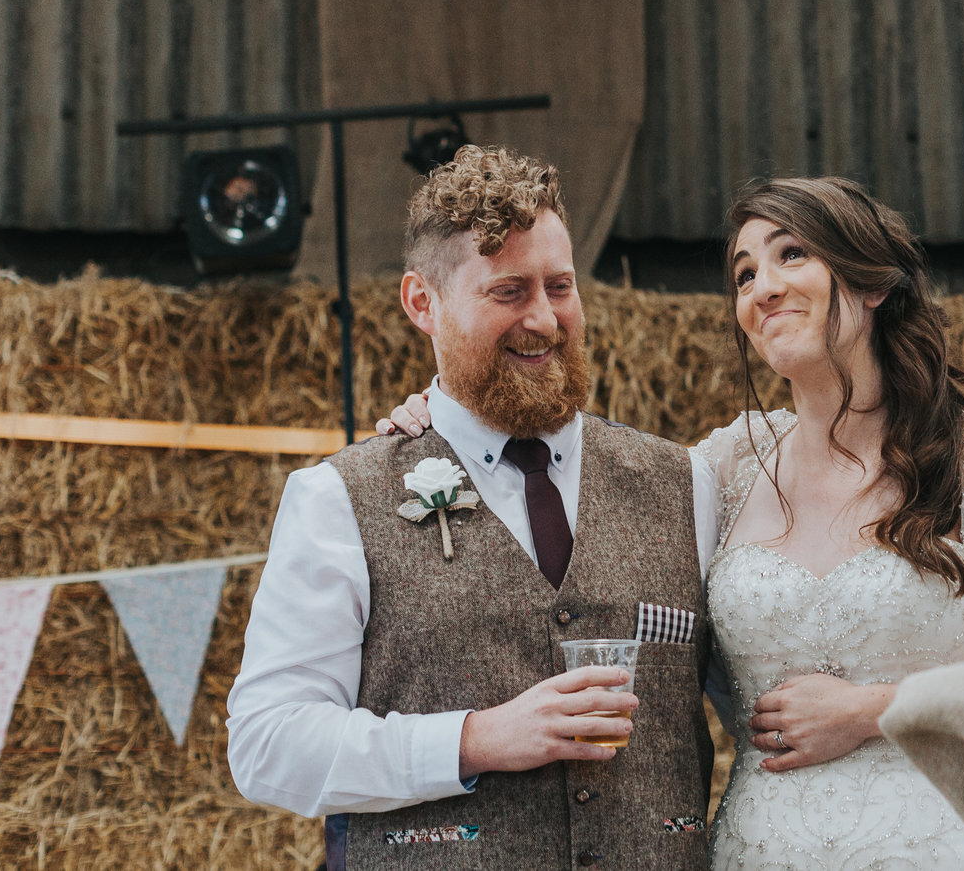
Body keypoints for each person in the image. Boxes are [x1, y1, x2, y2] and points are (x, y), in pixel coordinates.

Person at [384, 174, 964, 871]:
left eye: (791, 255)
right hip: (760, 849)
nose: (762, 287)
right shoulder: (724, 467)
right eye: (745, 273)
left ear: (874, 284)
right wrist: (440, 418)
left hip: (945, 844)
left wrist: (878, 708)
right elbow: (568, 463)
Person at [227, 146, 723, 870]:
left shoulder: (686, 483)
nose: (545, 320)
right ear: (421, 303)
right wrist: (473, 738)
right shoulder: (338, 499)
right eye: (508, 292)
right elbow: (267, 745)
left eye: (560, 286)